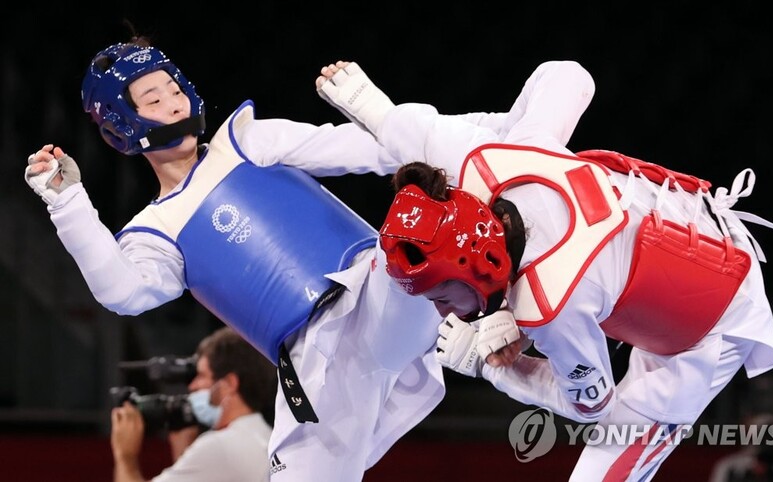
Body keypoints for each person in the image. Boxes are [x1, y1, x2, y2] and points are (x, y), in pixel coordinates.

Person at [24, 35, 518, 481]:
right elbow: (122, 292)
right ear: (125, 126)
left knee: (425, 224)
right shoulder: (155, 233)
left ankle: (515, 301)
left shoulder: (246, 141)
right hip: (315, 370)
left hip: (376, 288)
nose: (173, 103)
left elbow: (368, 149)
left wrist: (499, 132)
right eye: (153, 99)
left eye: (173, 89)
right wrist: (68, 203)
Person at [315, 60, 773, 480]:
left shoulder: (550, 303)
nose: (438, 311)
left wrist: (496, 367)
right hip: (686, 226)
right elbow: (571, 74)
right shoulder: (489, 160)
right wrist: (373, 106)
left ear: (480, 270)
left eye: (439, 296)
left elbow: (593, 406)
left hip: (710, 320)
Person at [111, 326, 276, 481]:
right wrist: (184, 449)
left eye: (201, 375)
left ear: (229, 384)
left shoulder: (219, 446)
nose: (192, 386)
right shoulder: (267, 437)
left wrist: (125, 456)